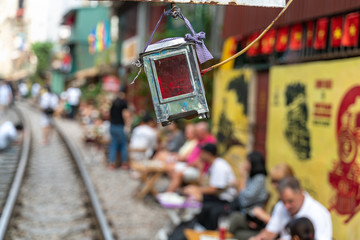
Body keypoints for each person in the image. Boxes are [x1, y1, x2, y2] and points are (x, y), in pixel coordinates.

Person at [250, 177, 332, 240]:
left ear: (300, 192)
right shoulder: (280, 206)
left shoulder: (319, 213)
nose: (286, 206)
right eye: (283, 202)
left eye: (290, 201)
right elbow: (270, 231)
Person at [183, 143, 237, 230]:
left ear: (208, 154)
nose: (200, 154)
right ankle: (192, 223)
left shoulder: (219, 166)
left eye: (202, 152)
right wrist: (200, 168)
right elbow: (202, 183)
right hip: (216, 196)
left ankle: (195, 225)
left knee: (194, 194)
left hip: (223, 200)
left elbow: (213, 189)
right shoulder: (212, 165)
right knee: (192, 192)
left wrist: (195, 189)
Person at [228, 151, 268, 240]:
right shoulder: (252, 177)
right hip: (246, 213)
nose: (244, 163)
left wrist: (243, 177)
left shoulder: (260, 178)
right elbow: (239, 196)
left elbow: (244, 199)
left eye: (247, 161)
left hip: (252, 216)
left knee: (235, 218)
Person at [166, 122, 216, 192]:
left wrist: (188, 165)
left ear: (203, 132)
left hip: (200, 170)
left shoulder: (209, 141)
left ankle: (169, 194)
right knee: (170, 167)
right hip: (190, 165)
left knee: (178, 173)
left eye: (196, 132)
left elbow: (202, 161)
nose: (195, 134)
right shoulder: (199, 140)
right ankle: (176, 189)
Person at [108, 90, 131, 170]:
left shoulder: (113, 103)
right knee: (123, 145)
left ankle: (112, 163)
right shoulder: (123, 103)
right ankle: (124, 163)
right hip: (120, 126)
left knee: (113, 144)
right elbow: (126, 114)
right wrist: (127, 125)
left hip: (112, 126)